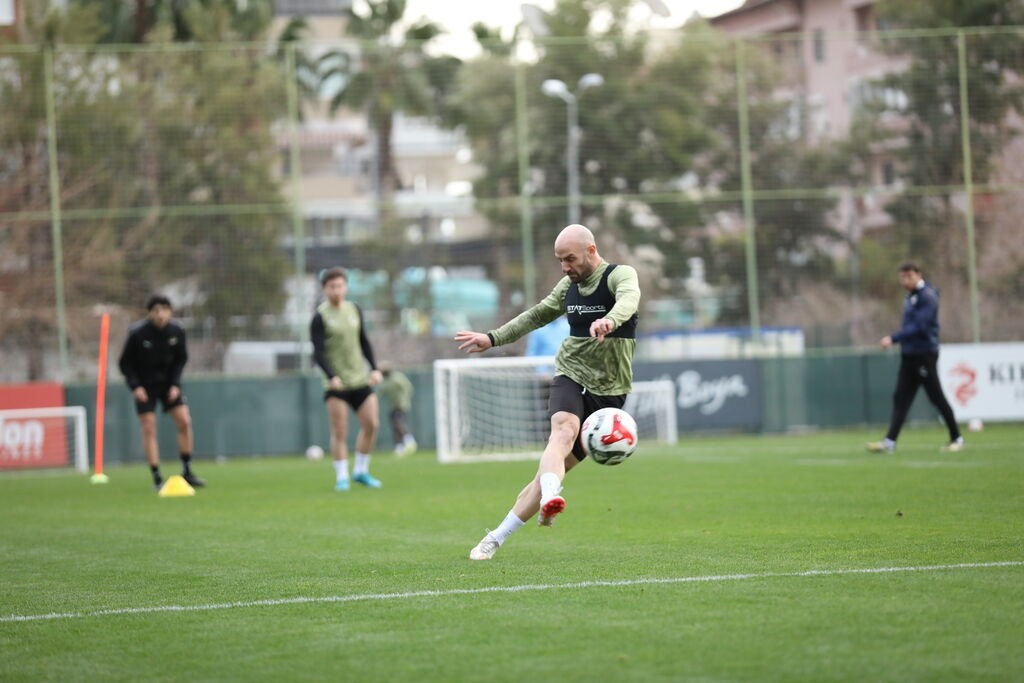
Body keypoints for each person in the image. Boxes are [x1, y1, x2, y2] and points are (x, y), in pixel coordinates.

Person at [454, 224, 641, 561]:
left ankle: (497, 536)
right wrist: (492, 337)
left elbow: (630, 299)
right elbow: (537, 315)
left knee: (545, 474)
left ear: (591, 251)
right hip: (570, 371)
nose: (565, 267)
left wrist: (610, 321)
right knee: (563, 430)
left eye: (570, 259)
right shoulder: (567, 287)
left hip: (609, 394)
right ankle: (549, 496)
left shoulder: (618, 275)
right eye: (560, 261)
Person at [867, 262, 963, 454]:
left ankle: (956, 438)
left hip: (924, 355)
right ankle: (890, 442)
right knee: (900, 399)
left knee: (936, 397)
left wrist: (893, 338)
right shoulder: (910, 297)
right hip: (909, 355)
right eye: (902, 276)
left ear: (919, 275)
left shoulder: (927, 296)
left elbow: (920, 327)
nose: (905, 280)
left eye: (909, 276)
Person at [118, 295, 204, 491]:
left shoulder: (177, 331)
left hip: (168, 385)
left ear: (170, 312)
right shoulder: (137, 333)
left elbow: (181, 359)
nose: (160, 314)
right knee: (148, 427)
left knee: (184, 421)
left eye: (164, 309)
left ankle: (187, 470)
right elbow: (125, 364)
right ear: (149, 313)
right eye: (155, 310)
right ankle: (157, 477)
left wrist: (175, 384)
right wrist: (135, 387)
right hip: (145, 387)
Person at [311, 267, 384, 491]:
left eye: (340, 286)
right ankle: (341, 476)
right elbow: (318, 351)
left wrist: (374, 368)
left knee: (372, 424)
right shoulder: (320, 317)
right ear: (324, 289)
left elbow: (363, 341)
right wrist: (331, 376)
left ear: (346, 287)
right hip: (337, 384)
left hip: (359, 379)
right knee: (340, 429)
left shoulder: (354, 309)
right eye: (332, 286)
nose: (336, 290)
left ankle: (361, 470)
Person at [376, 363, 417, 456]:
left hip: (400, 405)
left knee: (397, 423)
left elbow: (407, 387)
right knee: (394, 427)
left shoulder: (397, 378)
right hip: (392, 406)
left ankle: (410, 440)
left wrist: (403, 400)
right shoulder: (384, 381)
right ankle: (399, 447)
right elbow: (380, 393)